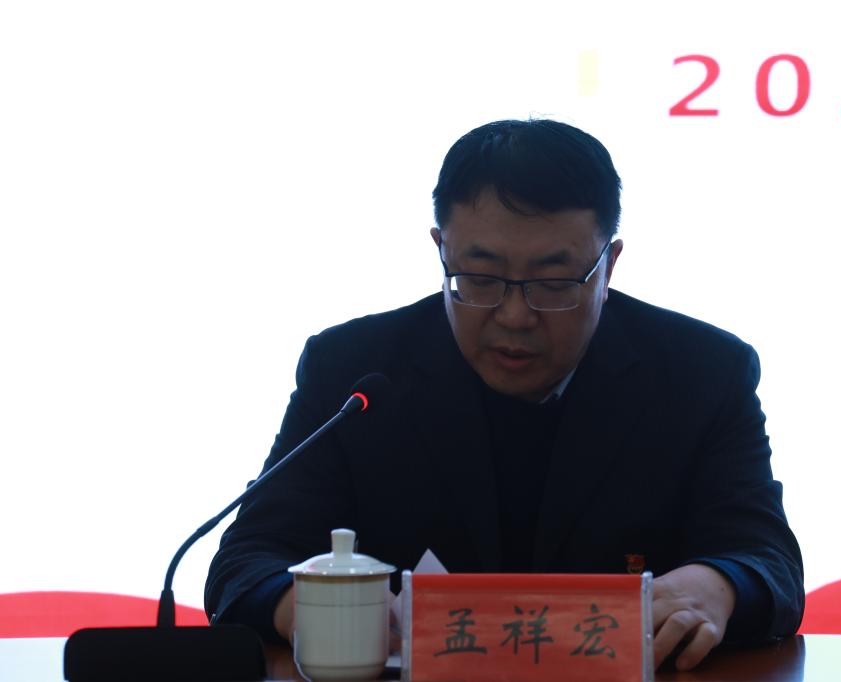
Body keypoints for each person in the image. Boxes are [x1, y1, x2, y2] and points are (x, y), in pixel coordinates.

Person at [205, 118, 803, 671]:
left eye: (554, 282)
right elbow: (248, 559)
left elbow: (764, 560)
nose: (515, 316)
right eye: (480, 278)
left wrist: (717, 586)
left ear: (609, 265)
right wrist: (307, 608)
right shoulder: (354, 371)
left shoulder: (701, 373)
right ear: (441, 249)